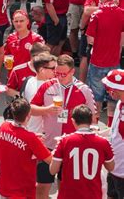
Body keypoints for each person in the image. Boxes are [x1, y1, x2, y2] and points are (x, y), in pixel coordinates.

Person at [30, 54, 96, 198]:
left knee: (65, 188)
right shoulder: (47, 85)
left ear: (72, 72)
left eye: (63, 74)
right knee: (41, 187)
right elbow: (30, 109)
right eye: (56, 72)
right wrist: (46, 110)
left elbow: (93, 119)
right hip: (48, 146)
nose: (59, 76)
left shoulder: (84, 90)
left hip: (71, 148)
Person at [50, 105, 115, 199]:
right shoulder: (103, 142)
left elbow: (53, 170)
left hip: (68, 195)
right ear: (91, 120)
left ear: (73, 121)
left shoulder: (64, 141)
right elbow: (111, 167)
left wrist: (55, 151)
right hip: (93, 194)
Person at [86, 0, 124, 126]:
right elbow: (122, 37)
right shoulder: (121, 13)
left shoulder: (97, 14)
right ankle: (110, 126)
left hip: (97, 61)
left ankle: (95, 126)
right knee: (113, 97)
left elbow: (90, 39)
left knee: (96, 97)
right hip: (114, 61)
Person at [0, 98, 52, 198]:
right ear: (28, 116)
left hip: (4, 187)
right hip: (22, 191)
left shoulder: (3, 127)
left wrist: (34, 138)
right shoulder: (30, 138)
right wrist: (59, 145)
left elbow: (17, 135)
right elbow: (50, 160)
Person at [20, 52, 57, 134]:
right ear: (41, 70)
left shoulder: (29, 80)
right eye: (53, 68)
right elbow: (31, 109)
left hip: (28, 128)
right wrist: (49, 110)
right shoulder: (45, 87)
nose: (56, 70)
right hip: (37, 133)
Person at [101, 69, 124, 199]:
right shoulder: (120, 103)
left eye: (110, 88)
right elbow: (114, 129)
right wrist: (100, 133)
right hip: (114, 166)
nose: (108, 91)